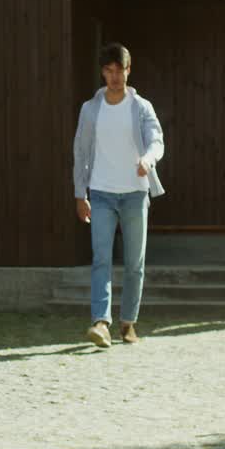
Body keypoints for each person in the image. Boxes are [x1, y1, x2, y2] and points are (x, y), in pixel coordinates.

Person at [72, 43, 165, 348]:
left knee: (135, 262)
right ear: (103, 72)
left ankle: (128, 322)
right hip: (100, 193)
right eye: (108, 71)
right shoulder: (90, 109)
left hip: (135, 194)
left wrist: (147, 160)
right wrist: (79, 193)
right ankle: (101, 322)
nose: (114, 77)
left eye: (119, 70)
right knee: (101, 259)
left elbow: (156, 141)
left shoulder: (141, 108)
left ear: (128, 69)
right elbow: (81, 152)